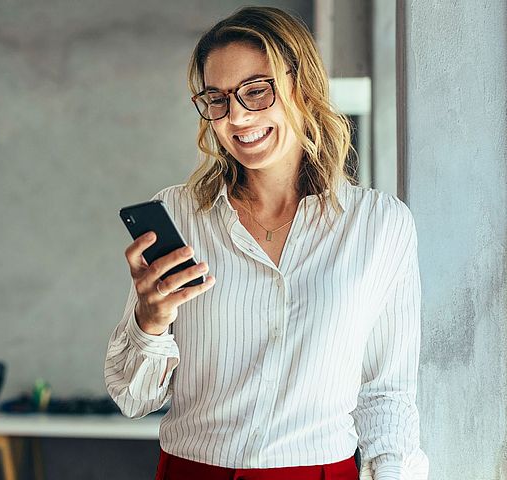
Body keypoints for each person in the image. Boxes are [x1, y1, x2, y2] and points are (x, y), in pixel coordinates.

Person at [105, 6, 428, 480]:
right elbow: (134, 398)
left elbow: (387, 393)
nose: (236, 116)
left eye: (256, 91)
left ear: (303, 87)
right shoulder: (178, 215)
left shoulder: (380, 225)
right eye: (217, 99)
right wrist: (149, 322)